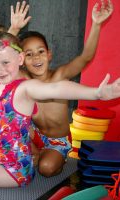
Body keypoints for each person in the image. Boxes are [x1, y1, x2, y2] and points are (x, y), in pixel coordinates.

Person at [17, 0, 113, 177]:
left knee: (46, 169)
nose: (36, 57)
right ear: (21, 60)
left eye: (40, 51)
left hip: (57, 141)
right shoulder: (23, 80)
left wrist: (97, 24)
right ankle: (37, 154)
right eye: (29, 54)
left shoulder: (59, 76)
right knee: (18, 161)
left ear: (49, 54)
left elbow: (85, 57)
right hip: (33, 135)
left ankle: (56, 157)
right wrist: (14, 29)